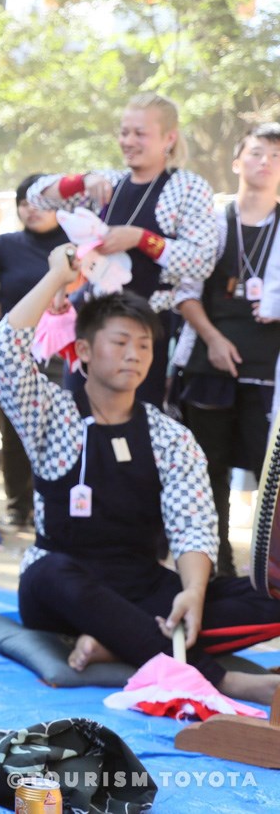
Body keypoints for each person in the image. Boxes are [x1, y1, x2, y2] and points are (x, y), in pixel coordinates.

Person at [0, 243, 280, 706]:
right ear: (83, 350)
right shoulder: (52, 413)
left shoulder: (169, 435)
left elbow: (193, 524)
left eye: (144, 345)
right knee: (50, 571)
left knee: (269, 593)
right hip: (62, 591)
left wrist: (193, 593)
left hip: (144, 592)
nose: (134, 355)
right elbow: (1, 357)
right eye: (120, 342)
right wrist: (55, 280)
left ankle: (117, 642)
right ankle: (218, 681)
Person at [29, 92, 218, 406]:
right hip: (92, 322)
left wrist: (142, 239)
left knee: (133, 420)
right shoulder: (109, 182)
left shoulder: (187, 187)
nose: (128, 141)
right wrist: (81, 181)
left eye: (140, 133)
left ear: (168, 138)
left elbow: (201, 262)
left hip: (145, 327)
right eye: (124, 132)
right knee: (79, 412)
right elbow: (37, 196)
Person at [176, 123, 280, 578]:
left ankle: (268, 569)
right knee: (208, 468)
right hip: (209, 362)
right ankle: (215, 563)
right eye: (256, 153)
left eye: (275, 157)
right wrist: (213, 339)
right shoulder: (212, 223)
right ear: (238, 162)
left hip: (269, 369)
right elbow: (184, 291)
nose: (264, 163)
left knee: (270, 475)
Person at [0, 174, 70, 526]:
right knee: (13, 433)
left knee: (61, 429)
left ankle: (57, 506)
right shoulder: (6, 245)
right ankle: (18, 505)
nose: (31, 209)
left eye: (39, 201)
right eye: (24, 203)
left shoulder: (76, 245)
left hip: (64, 351)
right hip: (17, 353)